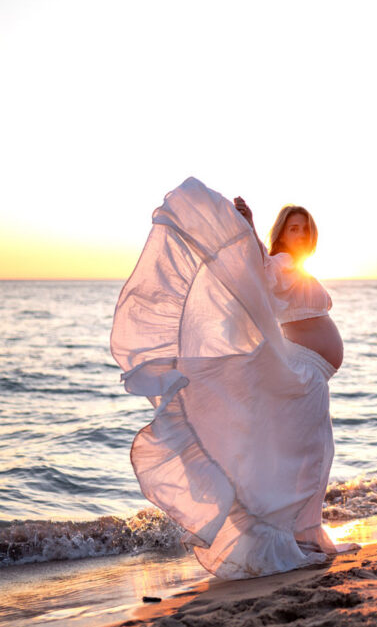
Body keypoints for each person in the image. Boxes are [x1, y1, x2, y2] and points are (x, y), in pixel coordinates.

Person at [110, 176, 359, 580]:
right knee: (310, 455)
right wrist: (249, 225)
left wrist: (253, 233)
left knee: (314, 454)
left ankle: (303, 532)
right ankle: (290, 536)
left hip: (313, 372)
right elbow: (259, 269)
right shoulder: (282, 262)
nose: (300, 233)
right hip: (303, 370)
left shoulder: (295, 266)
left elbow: (263, 272)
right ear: (282, 233)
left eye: (306, 228)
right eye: (293, 227)